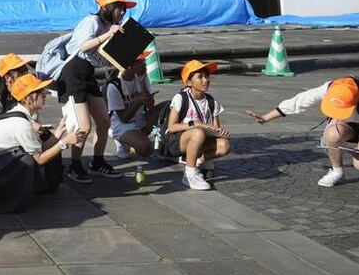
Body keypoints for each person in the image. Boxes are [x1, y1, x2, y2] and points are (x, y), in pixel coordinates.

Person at [38, 0, 133, 183]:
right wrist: (107, 35)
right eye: (118, 8)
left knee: (104, 122)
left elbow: (102, 58)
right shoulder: (91, 22)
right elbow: (81, 46)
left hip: (88, 74)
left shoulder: (112, 26)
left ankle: (97, 161)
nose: (122, 12)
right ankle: (75, 165)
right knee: (83, 126)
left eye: (123, 8)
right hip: (72, 74)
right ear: (106, 7)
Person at [0, 74, 86, 211]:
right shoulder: (22, 124)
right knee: (27, 160)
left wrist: (59, 131)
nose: (44, 95)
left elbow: (40, 148)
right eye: (39, 92)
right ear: (26, 98)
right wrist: (64, 142)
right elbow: (39, 159)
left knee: (28, 156)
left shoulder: (20, 115)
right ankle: (8, 200)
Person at [246, 75, 359, 187]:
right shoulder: (333, 87)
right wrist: (265, 118)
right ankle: (337, 171)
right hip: (349, 124)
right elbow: (299, 101)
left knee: (358, 164)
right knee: (331, 135)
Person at [166, 60, 232, 191]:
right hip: (177, 141)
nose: (205, 80)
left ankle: (196, 160)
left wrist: (220, 133)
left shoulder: (212, 101)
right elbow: (172, 127)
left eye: (206, 76)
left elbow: (216, 129)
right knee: (198, 132)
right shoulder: (180, 98)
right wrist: (193, 124)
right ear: (189, 82)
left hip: (200, 141)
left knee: (225, 145)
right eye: (200, 77)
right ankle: (189, 174)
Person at [104, 52, 155, 159]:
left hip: (139, 118)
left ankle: (135, 139)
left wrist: (142, 84)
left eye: (144, 62)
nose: (144, 66)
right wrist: (138, 102)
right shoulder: (114, 86)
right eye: (141, 63)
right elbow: (124, 119)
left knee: (165, 107)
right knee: (145, 148)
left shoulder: (142, 77)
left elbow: (151, 105)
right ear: (129, 66)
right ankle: (122, 140)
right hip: (121, 124)